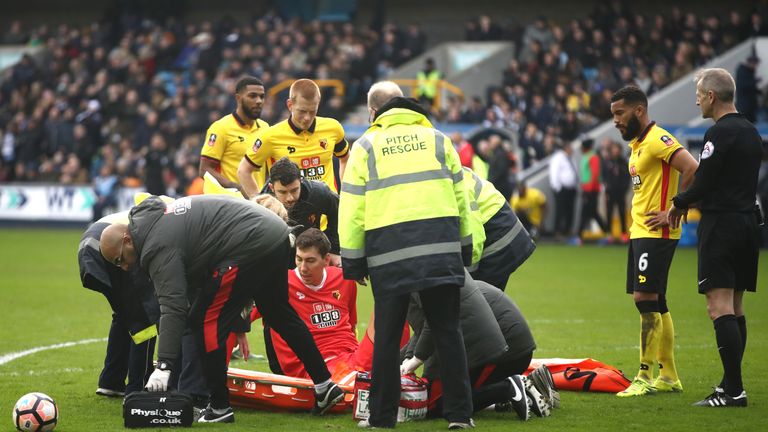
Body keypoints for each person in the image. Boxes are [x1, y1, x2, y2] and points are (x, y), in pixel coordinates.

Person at [98, 195, 344, 423]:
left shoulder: (155, 245)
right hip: (273, 234)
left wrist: (164, 366)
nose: (123, 267)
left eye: (120, 259)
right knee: (279, 314)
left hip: (248, 243)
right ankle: (324, 384)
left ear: (128, 240)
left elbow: (172, 306)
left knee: (205, 321)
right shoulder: (157, 223)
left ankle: (218, 407)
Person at [339, 81, 475, 429]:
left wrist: (353, 261)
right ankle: (460, 416)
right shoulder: (439, 140)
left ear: (373, 112)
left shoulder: (366, 145)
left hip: (390, 255)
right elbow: (463, 200)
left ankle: (383, 418)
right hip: (440, 249)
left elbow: (352, 209)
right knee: (447, 330)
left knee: (386, 337)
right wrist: (464, 245)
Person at [668, 68, 763, 407]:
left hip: (722, 225)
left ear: (711, 96)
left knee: (717, 306)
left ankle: (734, 390)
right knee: (735, 307)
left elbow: (705, 180)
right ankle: (729, 383)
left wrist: (679, 204)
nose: (696, 99)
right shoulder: (752, 132)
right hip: (748, 224)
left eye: (698, 93)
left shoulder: (718, 133)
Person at [609, 85, 699, 397]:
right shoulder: (637, 144)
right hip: (640, 232)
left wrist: (676, 207)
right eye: (613, 115)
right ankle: (670, 375)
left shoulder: (660, 139)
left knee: (644, 299)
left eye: (620, 113)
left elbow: (691, 167)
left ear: (639, 110)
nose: (616, 120)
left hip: (656, 232)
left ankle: (645, 375)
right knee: (656, 300)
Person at [402, 273, 555, 421]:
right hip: (512, 349)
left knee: (440, 405)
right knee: (451, 393)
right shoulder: (446, 278)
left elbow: (433, 326)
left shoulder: (422, 282)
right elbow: (424, 329)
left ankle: (507, 387)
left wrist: (418, 363)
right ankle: (522, 390)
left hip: (503, 354)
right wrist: (405, 358)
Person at [264, 228, 372, 378]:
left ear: (326, 260)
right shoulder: (281, 284)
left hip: (350, 355)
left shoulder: (343, 279)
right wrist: (239, 332)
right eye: (299, 259)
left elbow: (351, 325)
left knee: (386, 324)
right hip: (314, 365)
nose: (303, 268)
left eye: (310, 261)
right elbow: (240, 311)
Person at [78, 210, 158, 397]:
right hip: (110, 245)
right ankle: (138, 387)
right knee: (144, 320)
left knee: (123, 314)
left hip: (87, 247)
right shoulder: (164, 212)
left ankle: (111, 381)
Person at [238, 79, 349, 197]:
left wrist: (346, 192)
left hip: (328, 212)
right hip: (289, 213)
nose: (307, 117)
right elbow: (244, 170)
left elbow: (346, 158)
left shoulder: (333, 128)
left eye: (312, 111)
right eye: (302, 111)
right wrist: (260, 203)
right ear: (290, 105)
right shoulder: (271, 136)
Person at [463, 167, 536, 291]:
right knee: (483, 303)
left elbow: (474, 233)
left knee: (476, 301)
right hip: (503, 230)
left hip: (499, 236)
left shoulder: (451, 183)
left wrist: (470, 274)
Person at [262, 157, 341, 267]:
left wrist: (334, 249)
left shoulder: (318, 192)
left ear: (301, 180)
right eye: (282, 192)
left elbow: (339, 211)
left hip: (310, 252)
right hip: (278, 256)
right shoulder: (262, 204)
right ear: (272, 187)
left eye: (294, 190)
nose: (289, 198)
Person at [199, 76, 269, 194]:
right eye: (253, 96)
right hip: (229, 203)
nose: (259, 101)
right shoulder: (221, 128)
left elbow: (267, 169)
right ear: (238, 98)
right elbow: (204, 170)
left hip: (257, 203)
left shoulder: (265, 128)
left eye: (262, 97)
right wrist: (238, 188)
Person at [577, 138, 609, 240]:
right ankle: (606, 231)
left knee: (586, 212)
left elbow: (595, 174)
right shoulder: (588, 156)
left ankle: (579, 236)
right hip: (587, 189)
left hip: (591, 190)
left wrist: (589, 190)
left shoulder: (593, 157)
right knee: (591, 212)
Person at [601, 139, 631, 242]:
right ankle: (609, 234)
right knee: (609, 213)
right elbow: (604, 177)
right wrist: (606, 191)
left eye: (617, 149)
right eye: (614, 149)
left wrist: (625, 189)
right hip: (610, 192)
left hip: (620, 192)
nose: (616, 151)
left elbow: (627, 177)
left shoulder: (623, 162)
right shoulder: (606, 162)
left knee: (622, 212)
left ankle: (623, 233)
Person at [549, 143, 578, 240]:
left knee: (570, 211)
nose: (572, 150)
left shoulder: (571, 158)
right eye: (570, 148)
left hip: (571, 189)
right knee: (560, 211)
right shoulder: (558, 157)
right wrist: (557, 188)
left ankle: (567, 231)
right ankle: (558, 232)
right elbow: (554, 172)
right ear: (566, 148)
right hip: (562, 189)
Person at [734, 56, 760, 123]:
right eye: (754, 64)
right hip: (744, 106)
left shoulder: (749, 72)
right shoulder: (743, 72)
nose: (755, 66)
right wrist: (755, 81)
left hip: (749, 105)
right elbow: (744, 85)